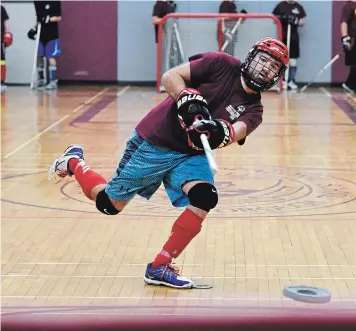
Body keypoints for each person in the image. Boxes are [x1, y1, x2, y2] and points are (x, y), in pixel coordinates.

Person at [48, 37, 289, 289]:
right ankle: (74, 161)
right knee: (109, 204)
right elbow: (170, 76)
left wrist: (219, 131)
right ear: (251, 57)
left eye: (272, 67)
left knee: (205, 197)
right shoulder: (220, 63)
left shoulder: (254, 110)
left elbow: (236, 132)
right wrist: (185, 97)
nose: (264, 68)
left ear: (277, 76)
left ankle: (160, 266)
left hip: (191, 154)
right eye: (263, 60)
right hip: (155, 141)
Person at [272, 0, 306, 90]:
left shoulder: (298, 7)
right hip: (282, 37)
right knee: (281, 59)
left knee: (293, 60)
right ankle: (282, 81)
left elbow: (302, 22)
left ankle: (291, 80)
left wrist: (295, 21)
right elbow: (274, 19)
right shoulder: (280, 5)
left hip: (294, 38)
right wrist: (283, 18)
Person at [30, 1, 62, 90]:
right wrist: (34, 29)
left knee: (50, 56)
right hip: (41, 34)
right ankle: (40, 80)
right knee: (39, 56)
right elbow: (39, 19)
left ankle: (53, 81)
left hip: (51, 35)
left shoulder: (55, 2)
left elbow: (59, 17)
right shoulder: (37, 2)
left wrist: (49, 19)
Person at [1, 5, 12, 92]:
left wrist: (7, 34)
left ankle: (1, 82)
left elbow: (6, 22)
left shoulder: (1, 8)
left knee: (1, 61)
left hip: (0, 39)